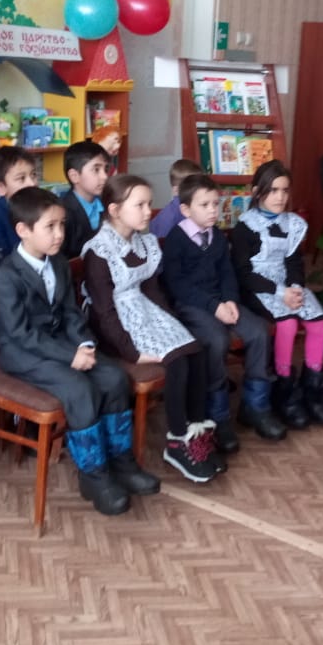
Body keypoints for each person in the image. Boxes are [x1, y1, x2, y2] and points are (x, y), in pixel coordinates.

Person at [0, 186, 160, 516]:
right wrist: (70, 356)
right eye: (50, 227)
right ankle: (94, 476)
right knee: (79, 390)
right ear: (23, 230)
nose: (59, 234)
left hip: (62, 345)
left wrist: (84, 343)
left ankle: (122, 463)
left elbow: (69, 312)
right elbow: (21, 334)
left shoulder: (58, 263)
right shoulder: (4, 276)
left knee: (114, 378)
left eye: (62, 225)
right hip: (22, 353)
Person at [82, 173, 220, 483]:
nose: (149, 212)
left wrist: (174, 326)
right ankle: (177, 440)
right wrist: (131, 352)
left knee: (196, 350)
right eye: (140, 205)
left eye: (149, 204)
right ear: (115, 210)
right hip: (113, 326)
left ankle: (197, 430)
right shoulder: (99, 250)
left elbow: (152, 289)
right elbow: (103, 311)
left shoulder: (143, 241)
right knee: (177, 360)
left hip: (143, 311)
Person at [161, 173, 284, 448]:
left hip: (222, 301)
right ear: (185, 210)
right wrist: (213, 306)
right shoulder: (176, 240)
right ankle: (218, 416)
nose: (212, 210)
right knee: (216, 340)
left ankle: (255, 406)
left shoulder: (216, 236)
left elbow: (227, 272)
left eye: (215, 204)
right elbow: (178, 286)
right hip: (192, 306)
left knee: (258, 332)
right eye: (204, 205)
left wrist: (229, 300)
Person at [230, 160, 323, 428]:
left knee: (318, 324)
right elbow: (244, 273)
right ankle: (285, 395)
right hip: (258, 288)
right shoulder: (245, 227)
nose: (280, 197)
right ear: (257, 192)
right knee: (287, 325)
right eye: (273, 190)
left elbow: (294, 262)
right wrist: (280, 293)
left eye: (285, 190)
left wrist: (296, 287)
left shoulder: (293, 224)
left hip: (287, 284)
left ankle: (313, 394)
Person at [0, 145, 38, 256]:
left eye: (33, 175)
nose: (32, 183)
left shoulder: (42, 207)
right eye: (21, 178)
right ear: (0, 187)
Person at [61, 139, 109, 258]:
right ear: (74, 176)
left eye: (106, 169)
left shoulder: (109, 204)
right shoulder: (62, 213)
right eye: (96, 170)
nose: (104, 176)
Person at [150, 158, 203, 240]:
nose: (200, 190)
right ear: (176, 190)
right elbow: (162, 245)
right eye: (192, 187)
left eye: (200, 185)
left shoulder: (196, 206)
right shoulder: (168, 218)